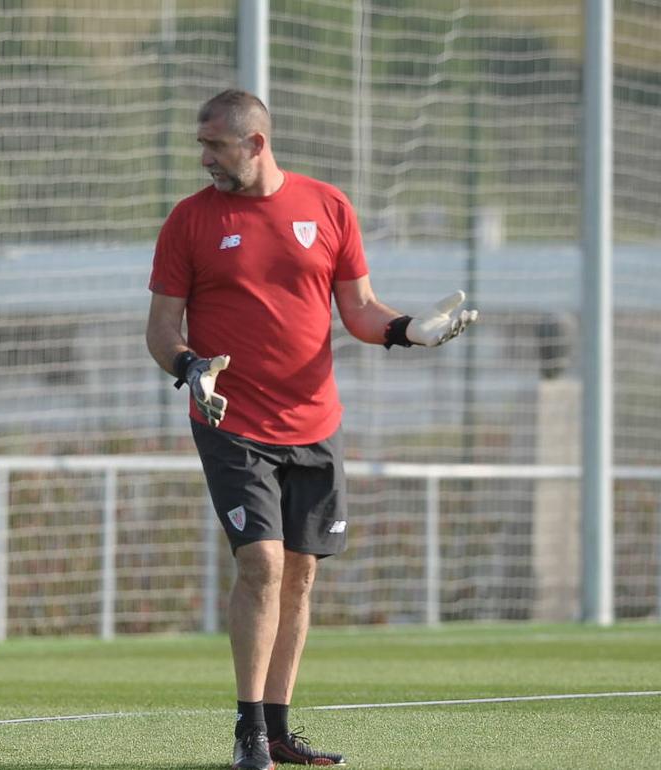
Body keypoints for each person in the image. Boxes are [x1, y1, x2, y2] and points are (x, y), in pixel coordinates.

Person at [146, 89, 477, 770]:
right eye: (201, 144)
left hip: (316, 421)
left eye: (217, 145)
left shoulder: (328, 206)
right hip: (231, 420)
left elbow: (357, 309)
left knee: (299, 574)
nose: (205, 157)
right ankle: (246, 736)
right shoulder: (188, 221)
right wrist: (192, 369)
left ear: (257, 143)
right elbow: (160, 330)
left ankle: (278, 731)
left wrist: (409, 331)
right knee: (261, 562)